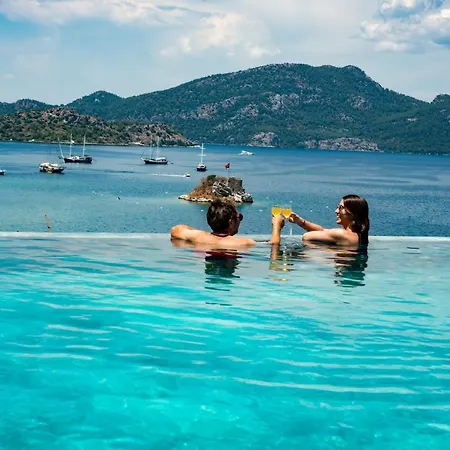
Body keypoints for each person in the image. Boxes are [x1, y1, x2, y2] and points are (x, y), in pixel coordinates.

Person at [171, 198, 284, 248]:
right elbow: (273, 244)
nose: (240, 221)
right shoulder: (243, 243)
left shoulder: (198, 237)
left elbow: (176, 229)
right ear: (231, 222)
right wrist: (277, 226)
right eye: (239, 217)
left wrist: (204, 234)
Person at [288, 194, 370, 247]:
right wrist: (300, 221)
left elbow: (306, 237)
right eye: (337, 207)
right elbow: (323, 231)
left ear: (352, 213)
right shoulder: (358, 235)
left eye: (341, 208)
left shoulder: (341, 234)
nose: (336, 211)